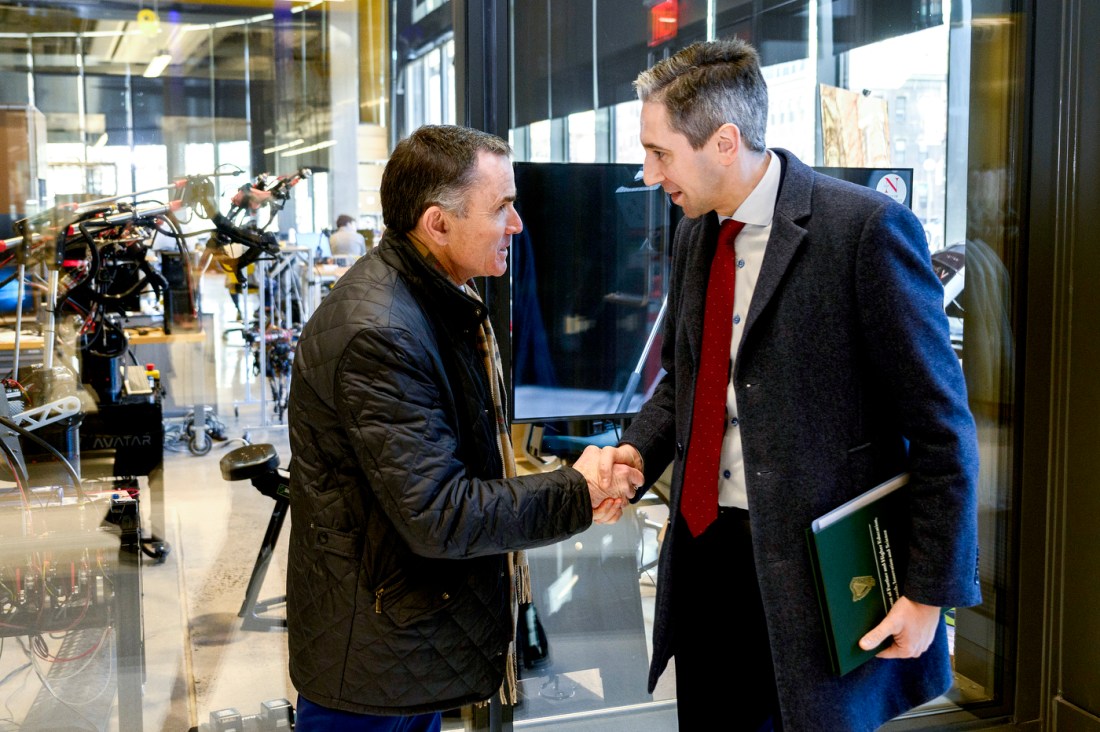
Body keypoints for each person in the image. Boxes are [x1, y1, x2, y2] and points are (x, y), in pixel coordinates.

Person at [596, 39, 980, 730]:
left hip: (818, 573)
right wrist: (635, 456)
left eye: (660, 154)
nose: (649, 175)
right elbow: (686, 381)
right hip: (705, 552)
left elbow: (941, 427)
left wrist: (929, 594)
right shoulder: (694, 235)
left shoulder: (864, 231)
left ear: (723, 141)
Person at [285, 124, 642, 731]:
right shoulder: (382, 333)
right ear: (438, 223)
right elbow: (441, 513)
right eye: (501, 206)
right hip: (376, 661)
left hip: (405, 635)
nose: (517, 224)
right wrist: (575, 490)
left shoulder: (433, 299)